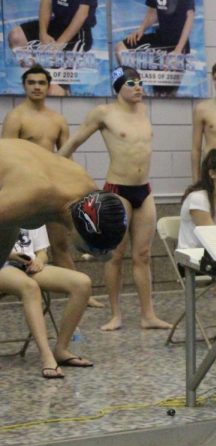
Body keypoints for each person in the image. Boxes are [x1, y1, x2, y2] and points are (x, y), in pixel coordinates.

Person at [58, 67, 171, 332]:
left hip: (144, 191)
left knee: (142, 254)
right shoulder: (104, 114)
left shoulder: (143, 112)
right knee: (116, 255)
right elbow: (74, 142)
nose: (138, 87)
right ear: (118, 87)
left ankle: (148, 315)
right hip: (118, 191)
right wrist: (50, 165)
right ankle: (116, 314)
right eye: (131, 83)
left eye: (140, 83)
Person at [1, 65, 105, 308]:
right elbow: (8, 155)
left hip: (55, 192)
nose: (37, 86)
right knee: (18, 243)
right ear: (25, 86)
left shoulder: (57, 119)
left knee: (60, 244)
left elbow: (64, 157)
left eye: (41, 82)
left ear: (49, 87)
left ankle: (80, 294)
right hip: (23, 193)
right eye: (31, 82)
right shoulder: (17, 117)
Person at [0, 139, 128, 274]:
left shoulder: (88, 190)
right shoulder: (31, 198)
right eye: (93, 248)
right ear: (80, 230)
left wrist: (103, 251)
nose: (94, 252)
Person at [0, 226, 93, 378]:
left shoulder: (33, 213)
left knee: (82, 283)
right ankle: (46, 356)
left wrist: (39, 261)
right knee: (30, 287)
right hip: (3, 264)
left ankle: (61, 349)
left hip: (28, 264)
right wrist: (11, 255)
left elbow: (43, 252)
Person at [7, 0, 98, 53]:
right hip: (57, 24)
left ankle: (58, 84)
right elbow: (46, 3)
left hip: (79, 32)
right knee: (16, 37)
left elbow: (81, 15)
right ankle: (33, 75)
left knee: (54, 56)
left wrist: (59, 44)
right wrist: (43, 34)